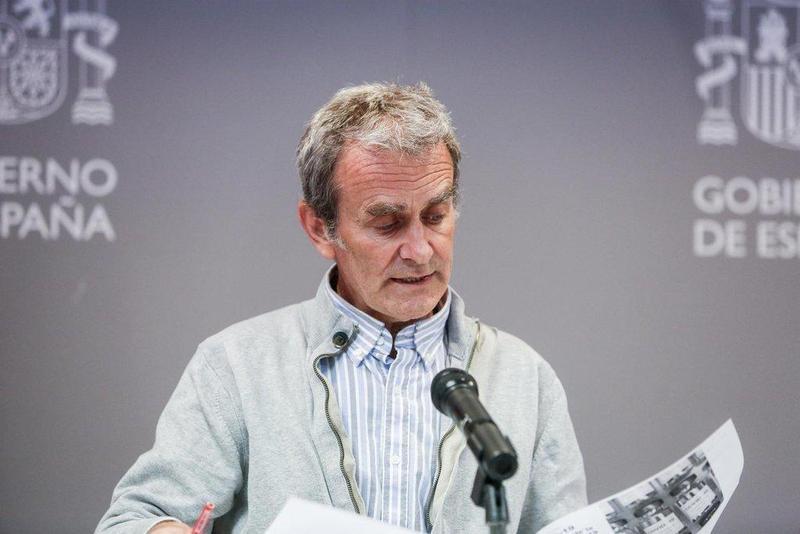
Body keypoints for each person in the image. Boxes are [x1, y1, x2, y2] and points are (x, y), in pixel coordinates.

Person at [96, 82, 587, 534]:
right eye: (387, 224)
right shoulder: (236, 366)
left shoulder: (526, 378)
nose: (420, 250)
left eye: (435, 216)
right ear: (319, 229)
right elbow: (134, 520)